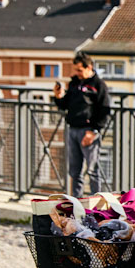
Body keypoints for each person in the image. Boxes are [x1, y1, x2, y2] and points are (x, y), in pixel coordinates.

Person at [54, 53, 110, 196]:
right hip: (72, 129)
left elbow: (104, 110)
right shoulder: (74, 83)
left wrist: (94, 131)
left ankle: (96, 203)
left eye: (79, 70)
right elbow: (65, 105)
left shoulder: (99, 85)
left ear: (89, 67)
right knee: (75, 170)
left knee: (92, 170)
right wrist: (58, 96)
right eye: (76, 70)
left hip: (88, 131)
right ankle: (76, 201)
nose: (77, 73)